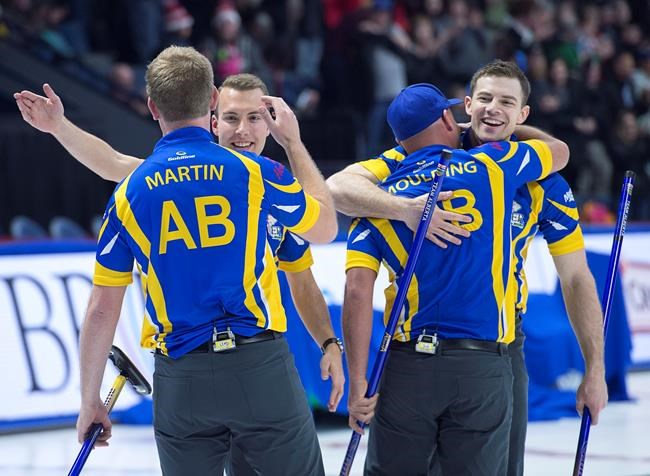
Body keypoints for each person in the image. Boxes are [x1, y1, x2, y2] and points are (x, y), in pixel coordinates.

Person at [18, 46, 338, 475]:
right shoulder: (257, 177)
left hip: (180, 378)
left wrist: (89, 399)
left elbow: (101, 308)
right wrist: (294, 144)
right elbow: (326, 229)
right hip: (258, 369)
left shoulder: (133, 189)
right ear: (211, 103)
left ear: (151, 106)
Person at [327, 60, 608, 476]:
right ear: (465, 106)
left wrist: (595, 369)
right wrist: (407, 210)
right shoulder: (409, 164)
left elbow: (576, 276)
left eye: (507, 103)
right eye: (487, 99)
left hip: (501, 352)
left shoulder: (542, 181)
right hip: (447, 360)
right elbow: (338, 187)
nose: (494, 109)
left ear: (523, 114)